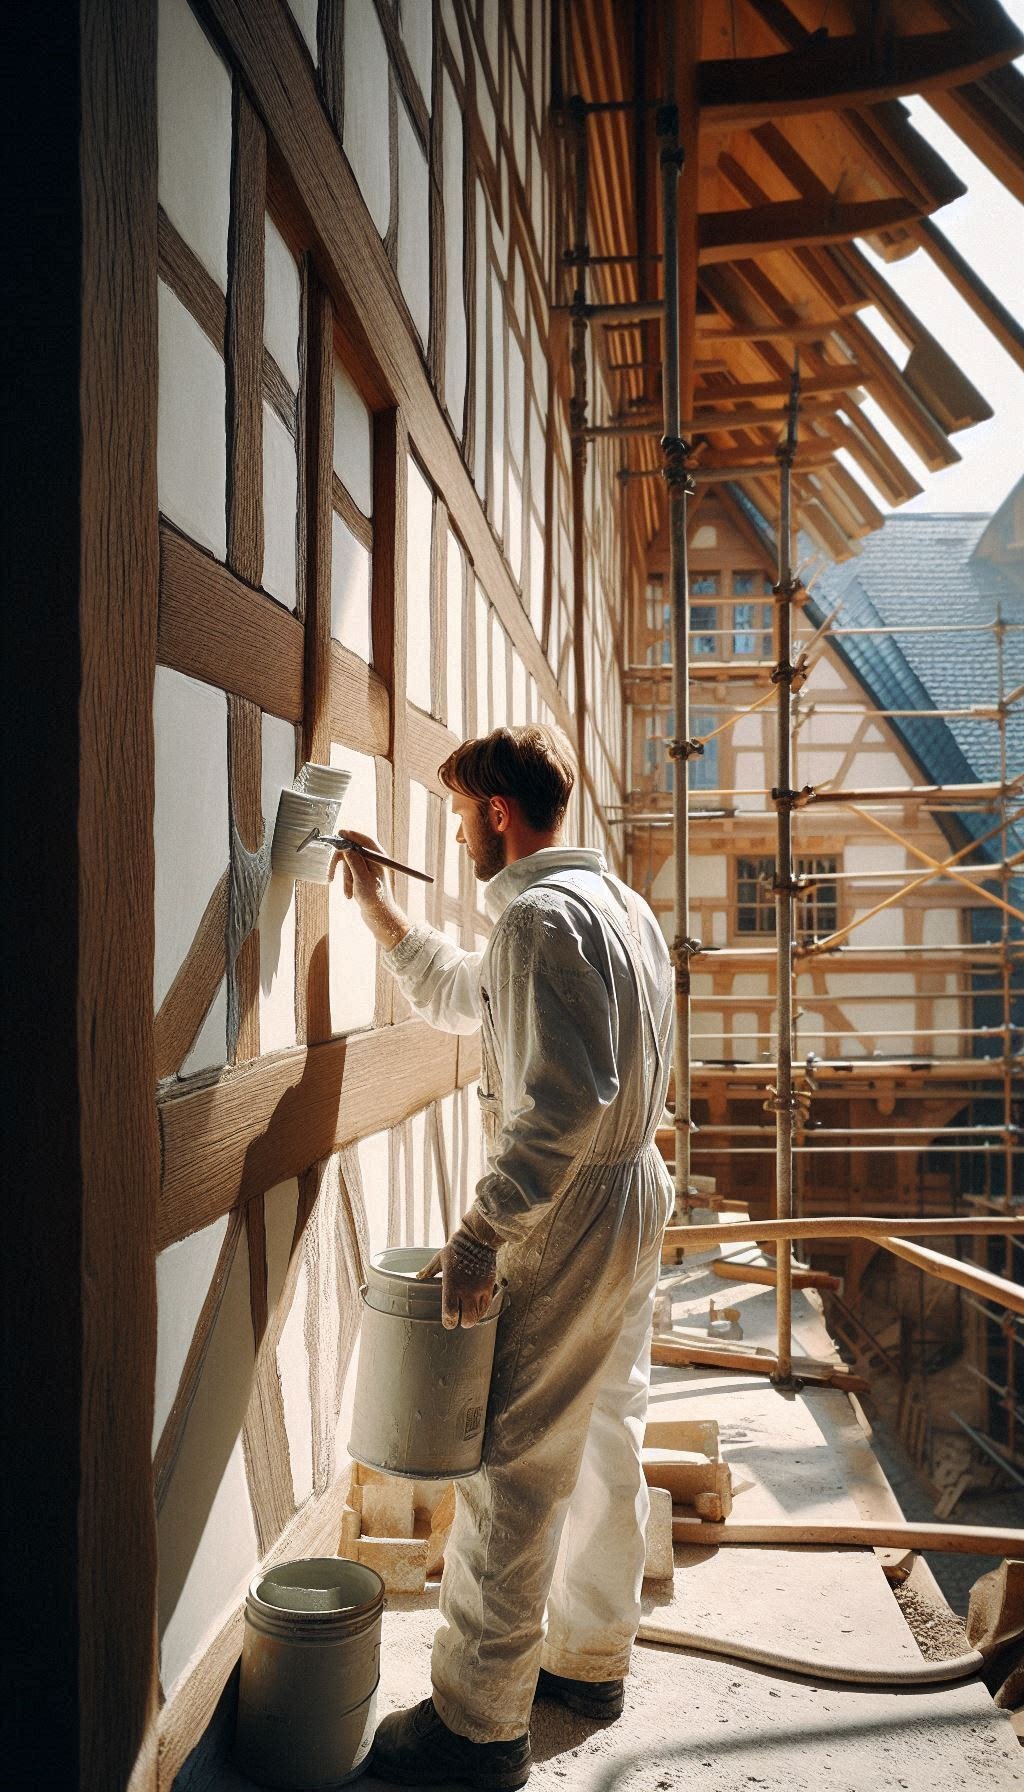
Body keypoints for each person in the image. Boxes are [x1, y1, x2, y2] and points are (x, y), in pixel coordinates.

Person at [333, 723, 673, 1791]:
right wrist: (380, 912)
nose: (450, 832)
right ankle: (587, 1659)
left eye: (453, 812)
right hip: (631, 1194)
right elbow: (467, 994)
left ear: (492, 811)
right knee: (609, 1433)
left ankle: (476, 1727)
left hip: (567, 1206)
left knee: (511, 1460)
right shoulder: (617, 908)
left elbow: (564, 1099)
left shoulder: (536, 918)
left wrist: (482, 1232)